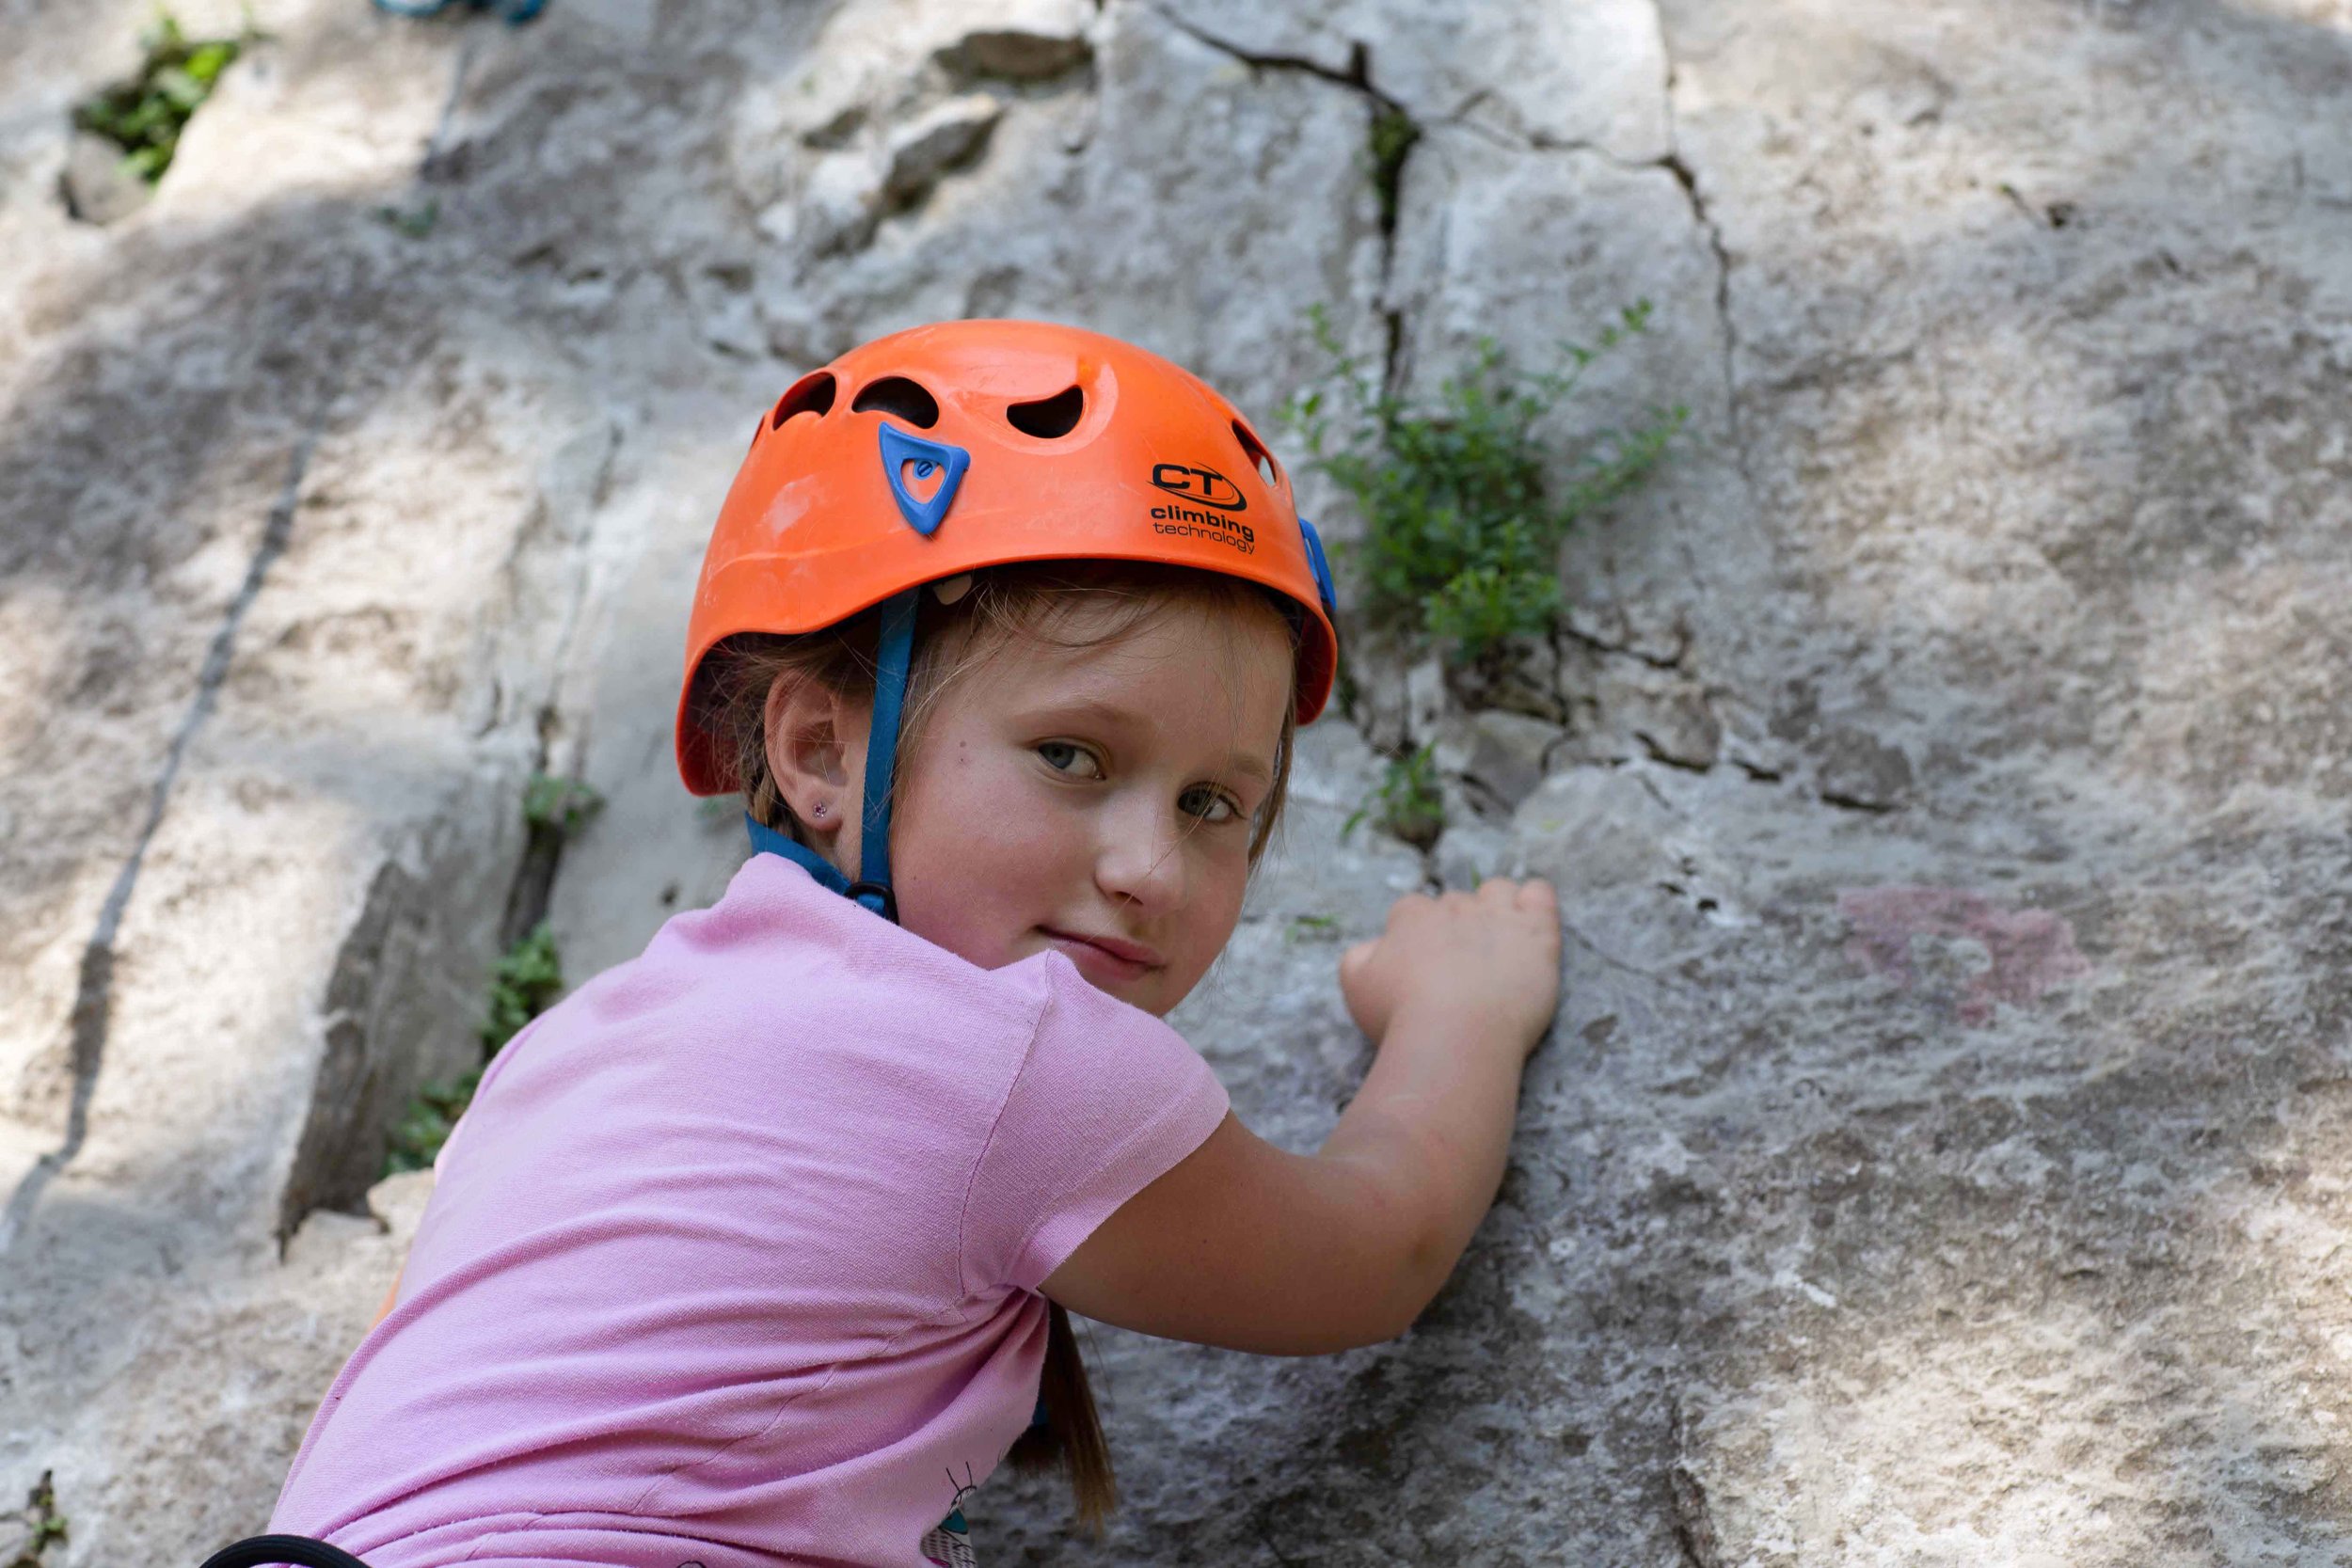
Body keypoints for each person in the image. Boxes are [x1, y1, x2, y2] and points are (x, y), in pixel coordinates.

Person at [258, 321, 1562, 1568]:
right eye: (1071, 757)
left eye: (1214, 805)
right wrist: (1462, 1011)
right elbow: (1372, 1255)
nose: (1150, 867)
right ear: (822, 749)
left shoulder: (568, 1051)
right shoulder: (1019, 1057)